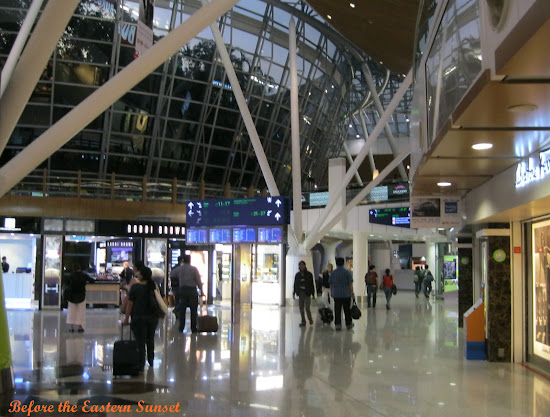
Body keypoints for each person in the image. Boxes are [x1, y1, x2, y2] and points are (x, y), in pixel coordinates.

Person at [123, 265, 159, 369]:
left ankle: (141, 363)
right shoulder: (153, 286)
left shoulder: (136, 287)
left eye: (139, 273)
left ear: (142, 275)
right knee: (150, 339)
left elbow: (130, 304)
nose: (137, 274)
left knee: (140, 341)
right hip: (152, 318)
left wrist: (126, 319)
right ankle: (151, 361)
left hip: (139, 317)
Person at [171, 254, 203, 333]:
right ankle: (193, 328)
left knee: (182, 309)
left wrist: (177, 282)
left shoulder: (179, 269)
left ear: (183, 260)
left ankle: (181, 327)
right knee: (193, 310)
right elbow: (198, 281)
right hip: (192, 291)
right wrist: (202, 291)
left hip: (182, 290)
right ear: (189, 260)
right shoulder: (194, 269)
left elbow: (172, 275)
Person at [66, 264, 94, 332]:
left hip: (72, 295)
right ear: (80, 269)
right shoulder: (84, 275)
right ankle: (80, 327)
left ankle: (71, 327)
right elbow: (92, 280)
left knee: (71, 311)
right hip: (81, 295)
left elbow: (66, 283)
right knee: (81, 311)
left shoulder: (71, 275)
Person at [329, 257, 354, 330]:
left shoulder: (333, 273)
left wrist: (332, 292)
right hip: (346, 294)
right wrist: (352, 293)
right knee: (347, 310)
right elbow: (350, 284)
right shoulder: (347, 272)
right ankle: (348, 324)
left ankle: (338, 325)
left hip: (337, 294)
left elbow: (331, 284)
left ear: (336, 264)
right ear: (343, 263)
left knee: (337, 310)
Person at [293, 260, 315, 327]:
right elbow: (295, 284)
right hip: (301, 293)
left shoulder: (309, 274)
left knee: (307, 307)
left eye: (302, 265)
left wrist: (313, 293)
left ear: (305, 266)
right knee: (301, 307)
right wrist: (294, 292)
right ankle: (303, 321)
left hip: (307, 292)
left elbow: (311, 284)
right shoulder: (297, 275)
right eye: (300, 265)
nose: (301, 266)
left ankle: (310, 319)